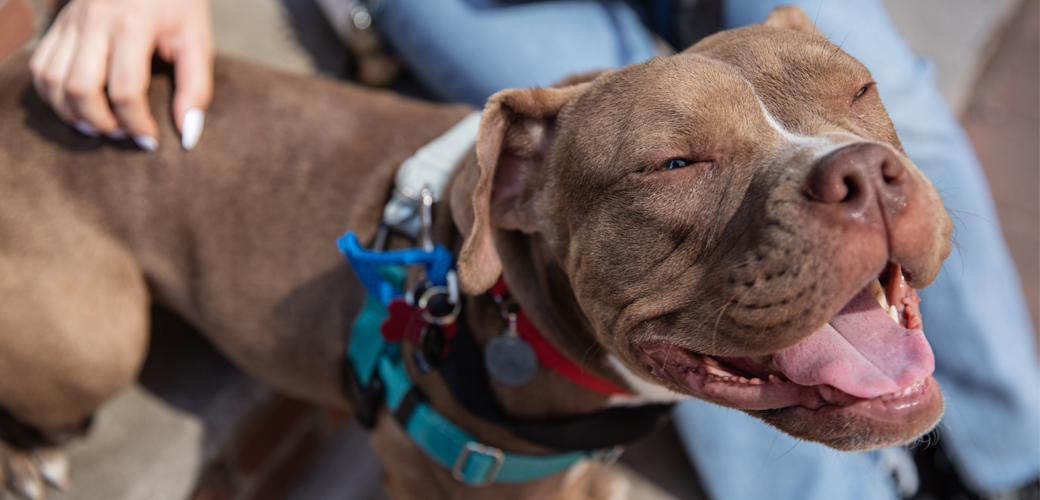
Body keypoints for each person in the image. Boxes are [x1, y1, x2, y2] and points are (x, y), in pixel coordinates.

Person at [29, 0, 1040, 498]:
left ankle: (1013, 465)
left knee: (856, 100)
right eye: (674, 164)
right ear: (505, 192)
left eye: (846, 109)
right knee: (80, 351)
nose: (852, 169)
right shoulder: (475, 384)